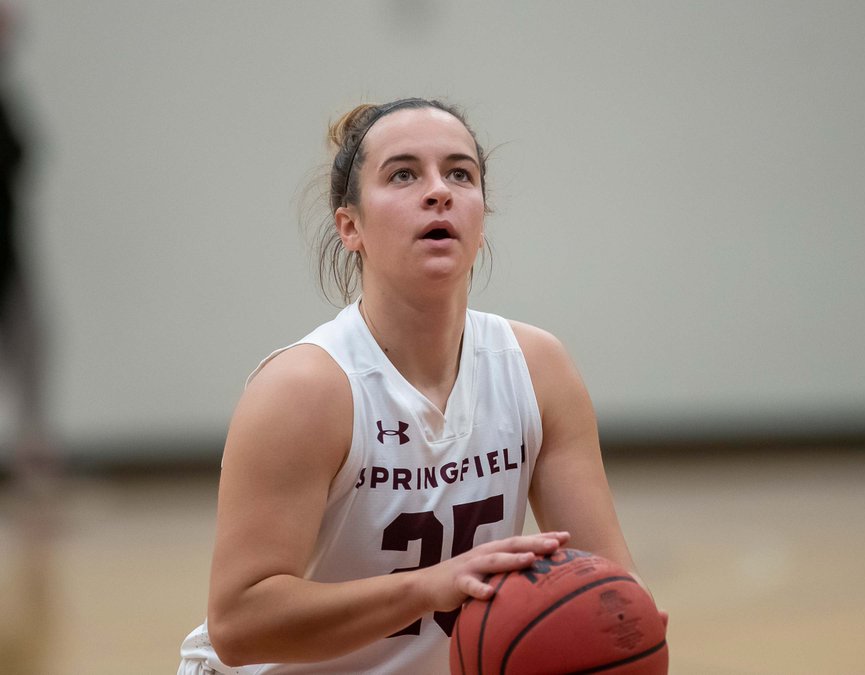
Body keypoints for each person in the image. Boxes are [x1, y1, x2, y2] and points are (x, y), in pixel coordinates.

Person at [179, 98, 659, 673]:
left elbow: (606, 575)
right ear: (349, 226)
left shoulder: (538, 367)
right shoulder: (307, 387)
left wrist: (626, 622)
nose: (439, 191)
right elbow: (240, 625)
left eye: (460, 173)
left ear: (481, 220)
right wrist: (429, 587)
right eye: (403, 174)